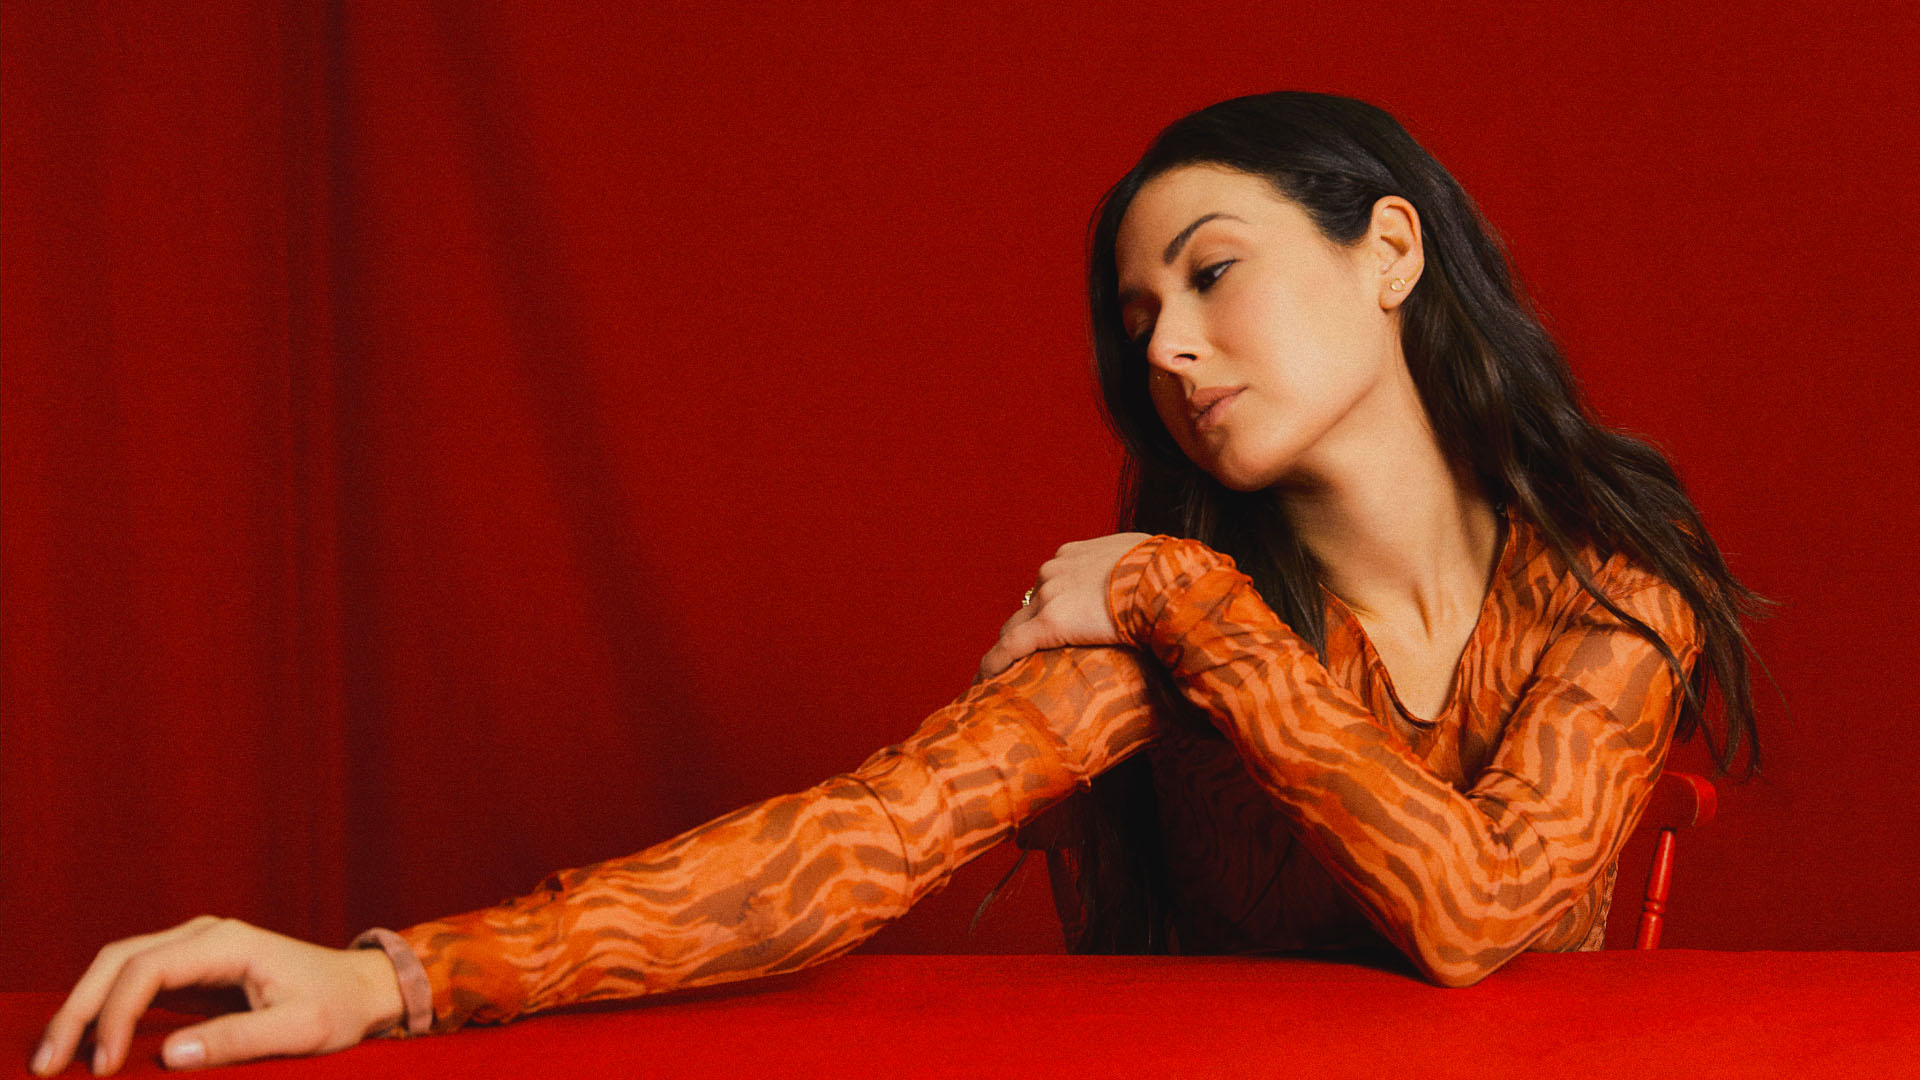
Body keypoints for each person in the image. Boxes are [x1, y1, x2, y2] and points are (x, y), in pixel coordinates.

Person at [33, 90, 1771, 1076]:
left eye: (1211, 273)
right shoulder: (1148, 629)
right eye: (1137, 316)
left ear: (1389, 249)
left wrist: (1193, 604)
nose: (1166, 346)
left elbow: (1472, 914)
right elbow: (852, 846)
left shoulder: (1609, 590)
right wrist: (388, 979)